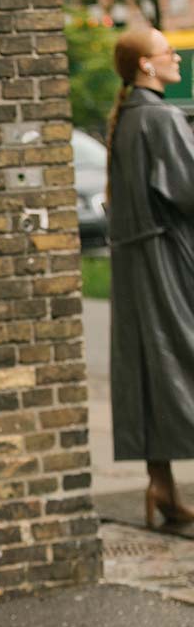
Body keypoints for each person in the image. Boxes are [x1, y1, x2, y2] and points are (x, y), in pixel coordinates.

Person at [106, 26, 194, 527]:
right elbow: (188, 191)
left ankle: (161, 484)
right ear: (146, 65)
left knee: (152, 369)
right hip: (171, 260)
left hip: (138, 263)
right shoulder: (161, 117)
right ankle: (162, 487)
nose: (176, 57)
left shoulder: (130, 119)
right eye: (167, 51)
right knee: (179, 360)